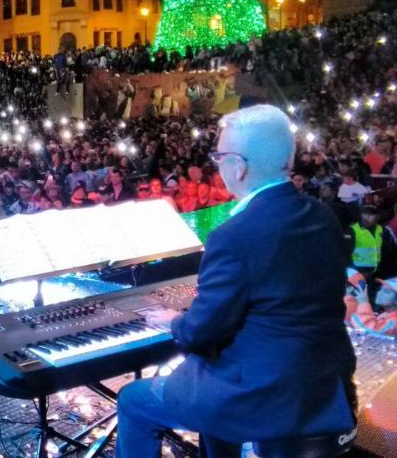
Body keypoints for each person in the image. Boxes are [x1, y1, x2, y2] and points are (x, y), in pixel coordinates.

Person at [116, 105, 356, 457]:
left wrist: (174, 320)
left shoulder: (233, 235)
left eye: (219, 157)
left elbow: (202, 331)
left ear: (239, 166)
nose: (218, 164)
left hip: (261, 396)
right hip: (326, 386)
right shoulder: (323, 215)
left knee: (133, 400)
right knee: (211, 383)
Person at [343, 204, 397, 304]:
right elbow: (344, 255)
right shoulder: (352, 231)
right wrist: (354, 275)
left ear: (378, 216)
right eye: (365, 213)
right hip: (358, 276)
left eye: (372, 214)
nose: (368, 217)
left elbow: (390, 253)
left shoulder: (383, 231)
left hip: (378, 275)